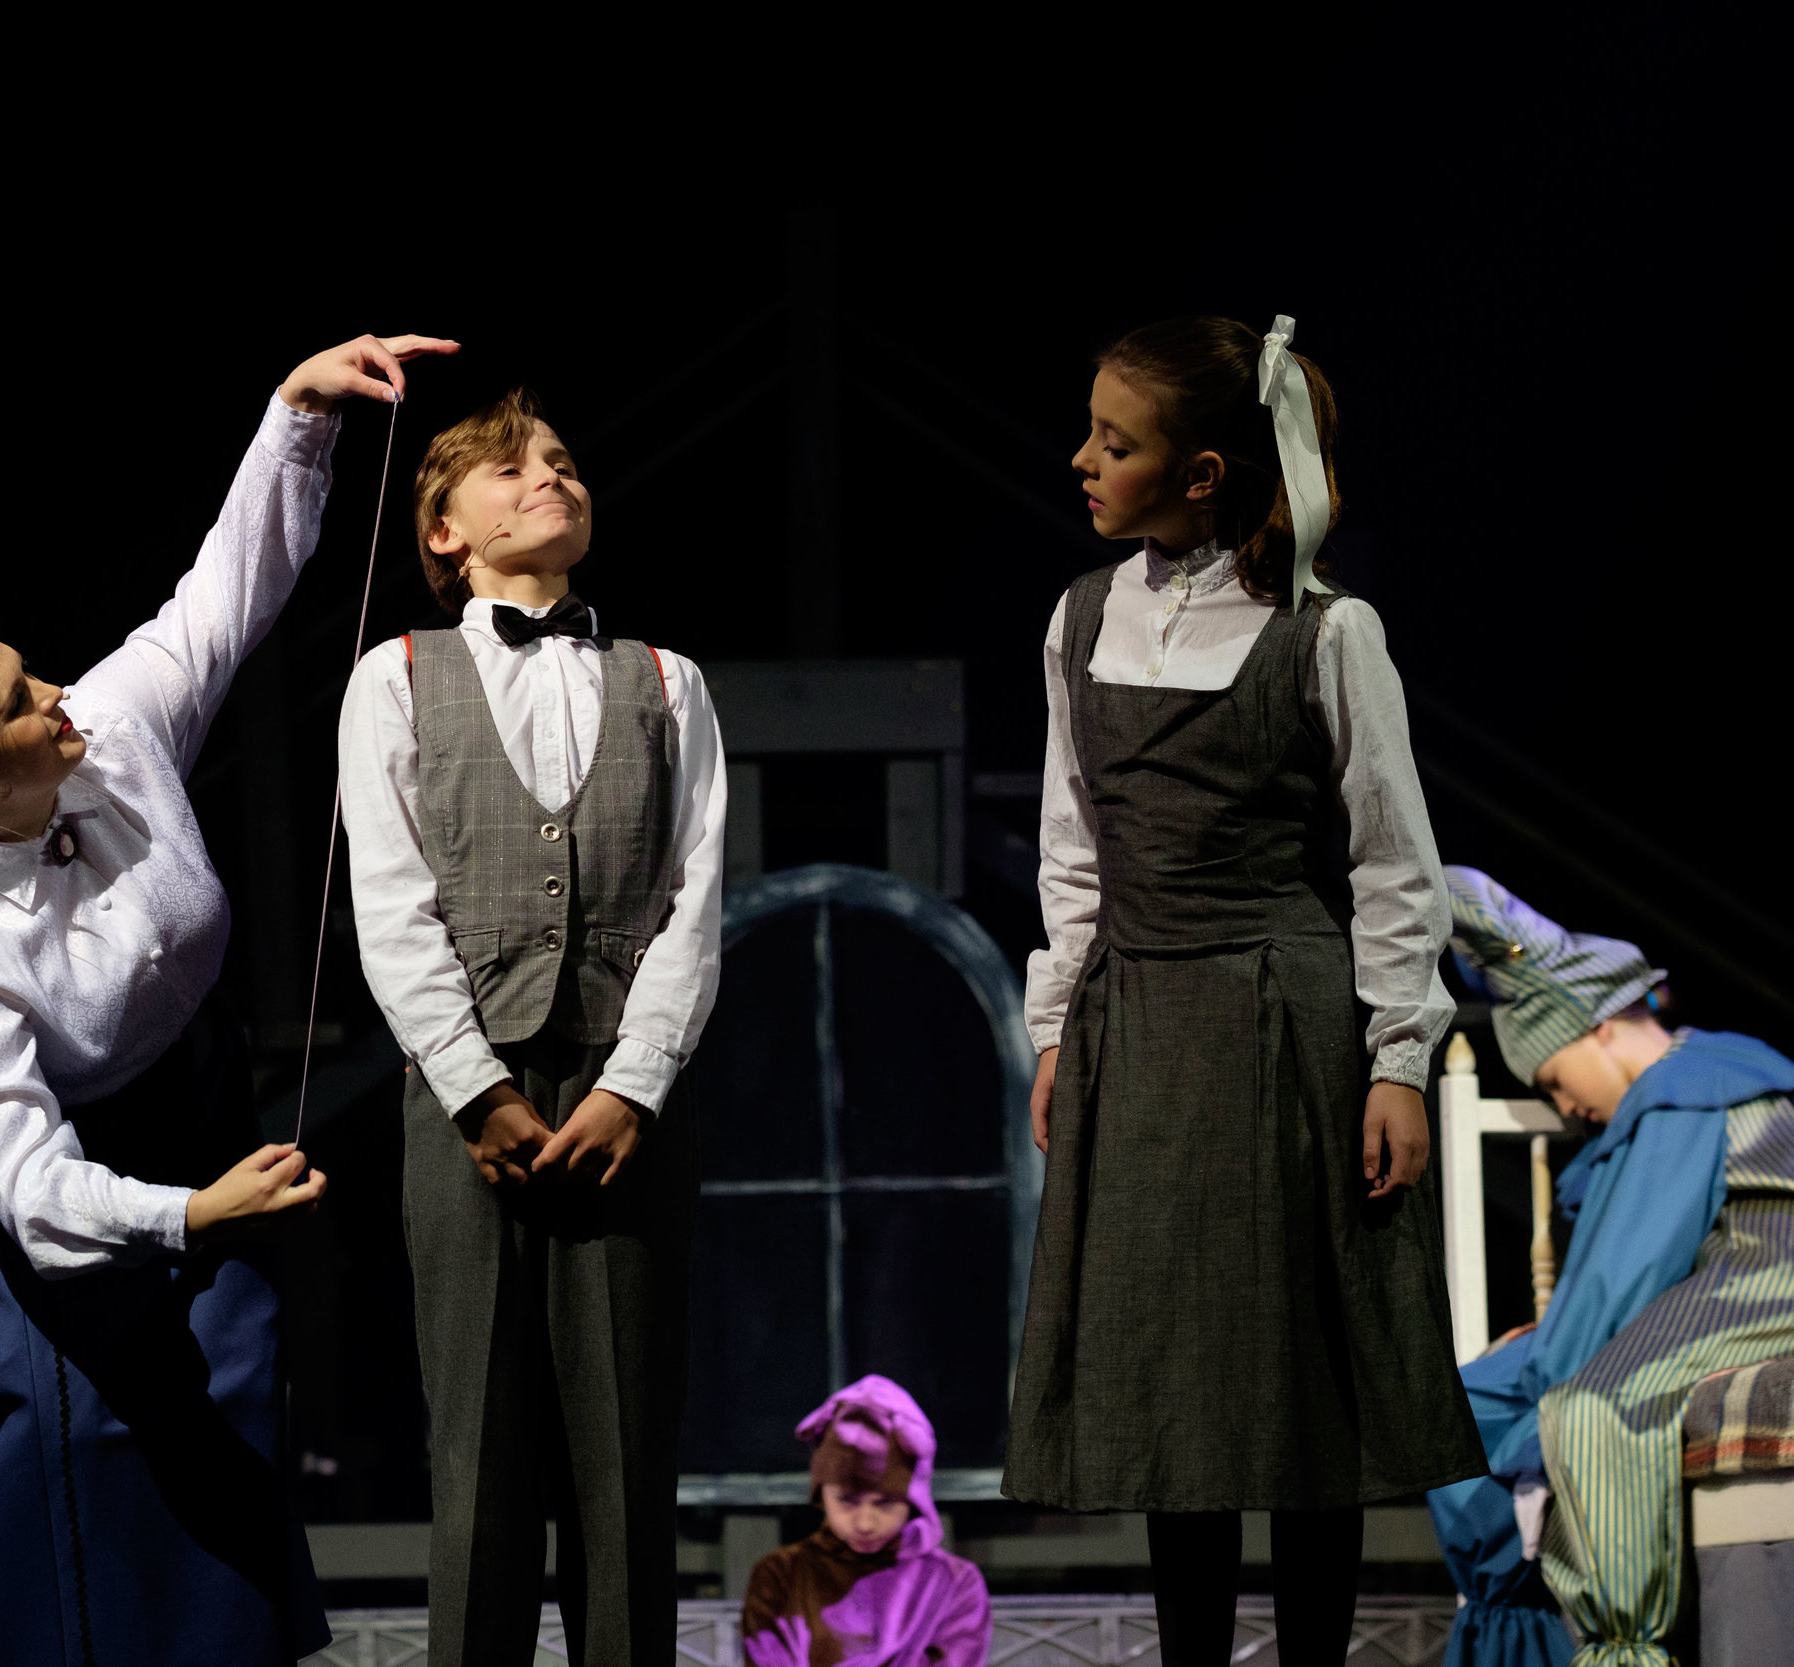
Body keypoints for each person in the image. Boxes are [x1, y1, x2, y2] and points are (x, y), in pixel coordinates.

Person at [0, 330, 459, 1667]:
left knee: (226, 1407)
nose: (61, 694)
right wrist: (189, 1212)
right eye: (24, 700)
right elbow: (29, 1183)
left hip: (182, 1104)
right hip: (25, 1177)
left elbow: (220, 599)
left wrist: (296, 416)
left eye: (33, 668)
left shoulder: (108, 733)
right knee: (73, 1438)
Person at [1001, 315, 1485, 1667]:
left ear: (1203, 471)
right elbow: (1072, 843)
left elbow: (1395, 857)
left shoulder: (1326, 632)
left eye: (1118, 438)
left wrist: (1397, 1056)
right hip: (1138, 1027)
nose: (1085, 459)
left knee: (1294, 1395)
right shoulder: (1082, 617)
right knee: (1175, 1388)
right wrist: (1057, 1028)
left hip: (1282, 1021)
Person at [336, 387, 727, 1667]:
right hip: (468, 1100)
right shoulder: (393, 677)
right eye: (507, 469)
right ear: (444, 531)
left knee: (622, 1472)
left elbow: (695, 904)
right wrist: (471, 1087)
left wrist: (635, 1083)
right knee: (481, 1461)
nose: (547, 477)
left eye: (560, 461)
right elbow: (391, 905)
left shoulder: (669, 682)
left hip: (625, 1099)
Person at [1426, 868, 1794, 1667]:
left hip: (1767, 1275)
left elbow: (1620, 1278)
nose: (1565, 1108)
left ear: (1592, 1027)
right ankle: (1510, 1628)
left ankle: (1594, 1642)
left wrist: (1554, 1350)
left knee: (1582, 1408)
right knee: (1466, 1406)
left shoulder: (1682, 1094)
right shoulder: (1712, 1078)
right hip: (1734, 1268)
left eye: (1553, 1081)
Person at [741, 1375, 991, 1667]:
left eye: (884, 1503)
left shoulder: (953, 1582)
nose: (865, 1524)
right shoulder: (780, 1575)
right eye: (847, 1500)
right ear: (821, 1494)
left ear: (914, 1500)